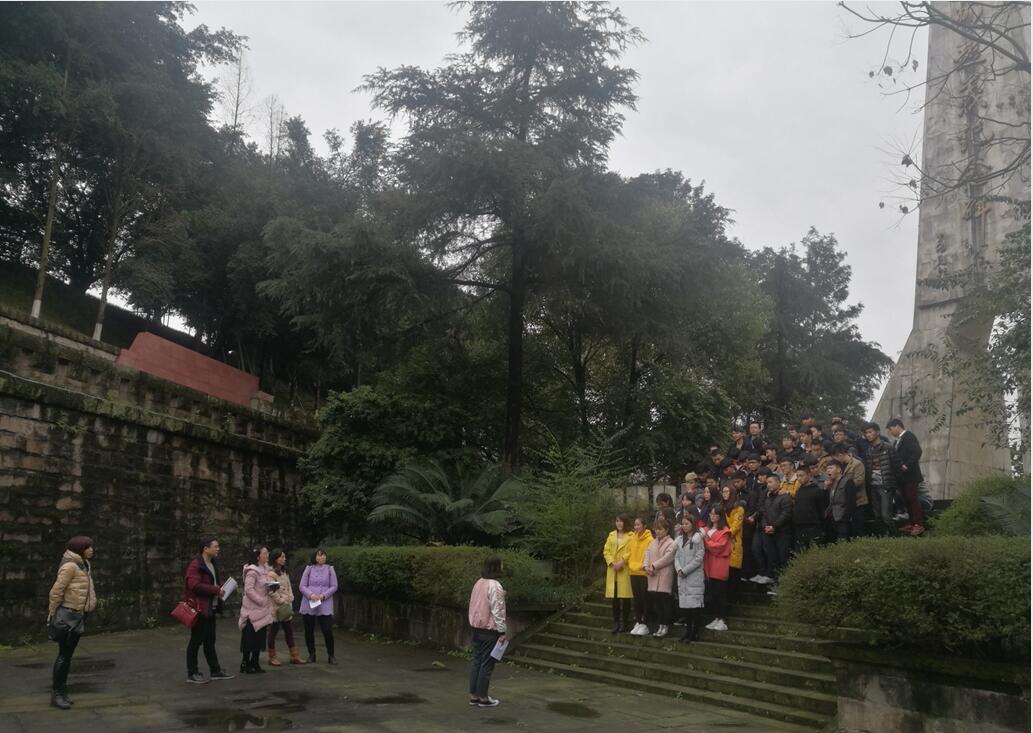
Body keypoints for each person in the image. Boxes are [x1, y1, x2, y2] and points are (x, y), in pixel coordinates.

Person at [46, 536, 97, 710]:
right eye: (88, 547)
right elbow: (56, 591)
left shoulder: (83, 564)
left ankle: (62, 692)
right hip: (69, 615)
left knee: (67, 656)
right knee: (64, 655)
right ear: (80, 549)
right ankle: (58, 694)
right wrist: (52, 614)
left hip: (79, 614)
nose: (91, 550)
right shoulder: (70, 566)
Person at [184, 537, 234, 684]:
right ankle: (192, 673)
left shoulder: (213, 563)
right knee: (196, 641)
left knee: (210, 641)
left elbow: (213, 582)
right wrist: (216, 590)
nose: (218, 549)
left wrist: (223, 587)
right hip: (200, 608)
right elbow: (194, 585)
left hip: (211, 608)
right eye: (215, 546)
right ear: (206, 548)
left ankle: (215, 670)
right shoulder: (196, 564)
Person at [467, 556, 507, 708]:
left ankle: (474, 695)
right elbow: (497, 610)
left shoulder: (478, 583)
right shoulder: (495, 585)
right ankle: (483, 697)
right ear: (497, 567)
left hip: (476, 628)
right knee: (487, 664)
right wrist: (502, 631)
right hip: (489, 631)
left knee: (477, 662)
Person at [887, 418, 926, 537]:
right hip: (902, 477)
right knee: (906, 499)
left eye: (890, 429)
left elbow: (917, 452)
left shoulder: (909, 436)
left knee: (912, 498)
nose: (890, 432)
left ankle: (918, 524)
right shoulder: (897, 441)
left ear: (897, 426)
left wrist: (906, 465)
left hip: (911, 475)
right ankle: (912, 522)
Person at [862, 422, 902, 536]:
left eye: (870, 432)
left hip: (886, 486)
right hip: (873, 486)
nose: (868, 435)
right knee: (877, 516)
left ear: (877, 432)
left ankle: (895, 538)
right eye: (866, 433)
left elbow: (897, 467)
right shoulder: (868, 450)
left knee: (886, 516)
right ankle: (883, 538)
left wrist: (894, 485)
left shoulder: (888, 447)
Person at [267, 549, 305, 666]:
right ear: (275, 559)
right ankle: (272, 657)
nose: (284, 559)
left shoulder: (285, 572)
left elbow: (289, 587)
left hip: (286, 606)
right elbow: (272, 591)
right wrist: (281, 600)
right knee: (273, 631)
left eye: (284, 557)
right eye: (281, 557)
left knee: (289, 631)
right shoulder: (271, 574)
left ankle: (294, 655)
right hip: (276, 608)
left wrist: (291, 597)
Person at [299, 549, 338, 664]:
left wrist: (323, 595)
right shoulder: (309, 569)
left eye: (323, 555)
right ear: (314, 557)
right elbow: (302, 586)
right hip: (309, 601)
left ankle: (331, 655)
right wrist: (311, 595)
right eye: (319, 555)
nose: (322, 557)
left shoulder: (330, 569)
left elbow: (334, 586)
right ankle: (312, 654)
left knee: (327, 629)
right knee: (309, 630)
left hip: (324, 602)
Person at [239, 546, 274, 674]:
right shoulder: (252, 571)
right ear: (258, 556)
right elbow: (248, 590)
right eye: (265, 553)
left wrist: (272, 588)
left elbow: (265, 586)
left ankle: (255, 662)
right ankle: (245, 663)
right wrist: (261, 601)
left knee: (259, 638)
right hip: (252, 610)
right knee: (249, 639)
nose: (267, 555)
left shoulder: (266, 569)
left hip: (262, 610)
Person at [673, 511, 705, 643]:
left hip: (694, 577)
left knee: (694, 607)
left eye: (687, 524)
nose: (684, 526)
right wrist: (679, 569)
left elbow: (698, 558)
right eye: (683, 524)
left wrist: (685, 570)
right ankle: (687, 631)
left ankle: (694, 632)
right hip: (682, 577)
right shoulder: (680, 539)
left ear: (693, 524)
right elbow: (676, 557)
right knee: (686, 607)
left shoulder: (698, 539)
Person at [756, 474, 793, 584]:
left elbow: (786, 514)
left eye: (771, 482)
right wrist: (765, 526)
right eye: (767, 483)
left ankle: (783, 582)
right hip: (769, 531)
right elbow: (764, 513)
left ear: (778, 483)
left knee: (783, 557)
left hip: (782, 532)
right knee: (772, 557)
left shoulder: (785, 497)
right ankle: (773, 579)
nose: (768, 485)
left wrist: (774, 526)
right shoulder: (768, 498)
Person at [642, 518, 676, 638]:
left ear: (667, 530)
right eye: (656, 529)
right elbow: (647, 554)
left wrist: (653, 566)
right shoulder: (653, 542)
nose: (658, 531)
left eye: (660, 529)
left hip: (664, 576)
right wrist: (646, 566)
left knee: (664, 602)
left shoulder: (671, 543)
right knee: (657, 603)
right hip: (652, 576)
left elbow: (668, 558)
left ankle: (665, 625)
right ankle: (660, 625)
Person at [602, 514, 633, 633]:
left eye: (621, 521)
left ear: (625, 522)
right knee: (614, 598)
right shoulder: (611, 535)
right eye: (617, 521)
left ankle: (625, 622)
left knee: (625, 598)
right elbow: (606, 551)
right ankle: (616, 622)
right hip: (613, 569)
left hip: (624, 569)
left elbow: (631, 551)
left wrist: (622, 562)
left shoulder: (631, 536)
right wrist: (611, 562)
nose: (619, 523)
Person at [703, 506, 732, 631]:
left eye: (715, 514)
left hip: (719, 564)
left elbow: (718, 547)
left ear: (720, 516)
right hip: (709, 564)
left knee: (720, 594)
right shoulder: (707, 529)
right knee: (713, 594)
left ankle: (723, 619)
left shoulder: (725, 531)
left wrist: (706, 541)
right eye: (711, 513)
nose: (712, 516)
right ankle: (716, 617)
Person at [626, 517, 654, 636]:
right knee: (636, 598)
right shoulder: (632, 538)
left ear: (644, 525)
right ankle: (638, 621)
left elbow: (648, 556)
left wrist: (641, 566)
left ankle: (645, 623)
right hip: (633, 572)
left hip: (643, 573)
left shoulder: (650, 539)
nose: (636, 527)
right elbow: (629, 553)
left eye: (638, 525)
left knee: (645, 598)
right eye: (635, 525)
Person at [792, 455, 825, 552]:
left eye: (801, 476)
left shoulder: (816, 490)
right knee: (801, 552)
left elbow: (821, 510)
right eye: (797, 476)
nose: (799, 478)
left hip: (813, 527)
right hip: (799, 527)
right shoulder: (798, 491)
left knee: (815, 552)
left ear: (809, 475)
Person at [720, 483, 745, 603]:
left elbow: (736, 527)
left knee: (734, 571)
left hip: (734, 542)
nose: (724, 494)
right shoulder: (723, 508)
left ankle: (733, 599)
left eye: (727, 492)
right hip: (724, 542)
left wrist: (723, 534)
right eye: (723, 492)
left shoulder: (739, 509)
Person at [825, 458, 857, 543]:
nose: (828, 470)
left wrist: (845, 518)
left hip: (842, 519)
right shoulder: (830, 483)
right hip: (831, 518)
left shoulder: (848, 482)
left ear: (839, 469)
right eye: (827, 469)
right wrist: (825, 489)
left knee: (842, 543)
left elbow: (851, 503)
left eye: (831, 468)